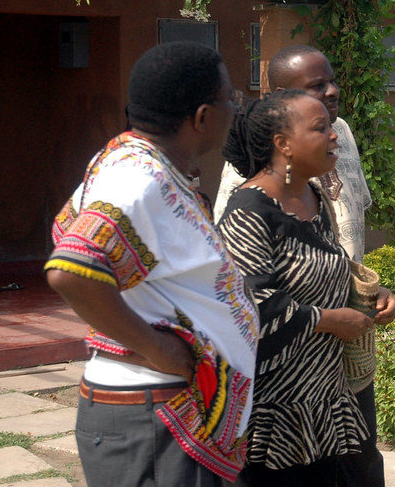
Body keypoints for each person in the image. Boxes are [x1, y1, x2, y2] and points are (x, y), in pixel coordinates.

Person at [45, 41, 259, 487]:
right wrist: (157, 348)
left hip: (162, 412)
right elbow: (70, 270)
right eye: (230, 101)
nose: (234, 112)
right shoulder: (138, 177)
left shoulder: (148, 168)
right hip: (152, 417)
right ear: (202, 117)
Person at [214, 44, 395, 486]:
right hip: (277, 406)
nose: (335, 134)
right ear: (283, 144)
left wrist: (368, 290)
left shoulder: (314, 198)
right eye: (320, 128)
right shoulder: (248, 210)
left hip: (331, 394)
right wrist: (330, 319)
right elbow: (252, 305)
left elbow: (331, 264)